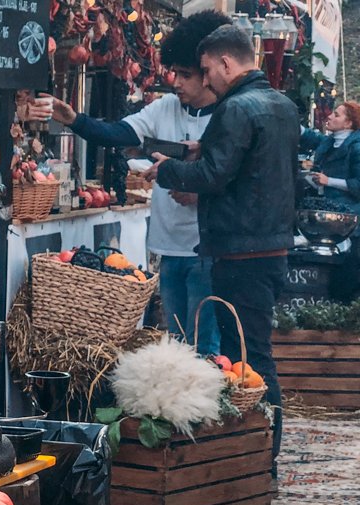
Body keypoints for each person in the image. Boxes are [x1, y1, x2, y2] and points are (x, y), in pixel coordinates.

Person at [148, 23, 300, 464]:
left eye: (207, 69)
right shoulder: (282, 104)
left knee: (247, 360)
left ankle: (258, 457)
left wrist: (166, 169)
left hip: (239, 250)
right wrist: (201, 148)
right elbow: (251, 164)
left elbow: (213, 177)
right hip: (268, 248)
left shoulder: (234, 109)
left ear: (226, 62)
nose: (205, 78)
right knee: (248, 355)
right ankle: (253, 454)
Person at [45, 11, 229, 355]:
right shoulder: (164, 110)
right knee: (175, 343)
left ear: (207, 75)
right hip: (169, 247)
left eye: (185, 75)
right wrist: (73, 119)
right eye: (175, 73)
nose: (176, 83)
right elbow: (117, 134)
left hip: (208, 249)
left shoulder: (228, 116)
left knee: (205, 346)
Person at [301, 101, 360, 214]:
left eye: (336, 115)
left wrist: (328, 181)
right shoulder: (330, 142)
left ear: (348, 123)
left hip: (349, 215)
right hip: (331, 209)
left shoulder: (357, 147)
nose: (330, 116)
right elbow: (313, 138)